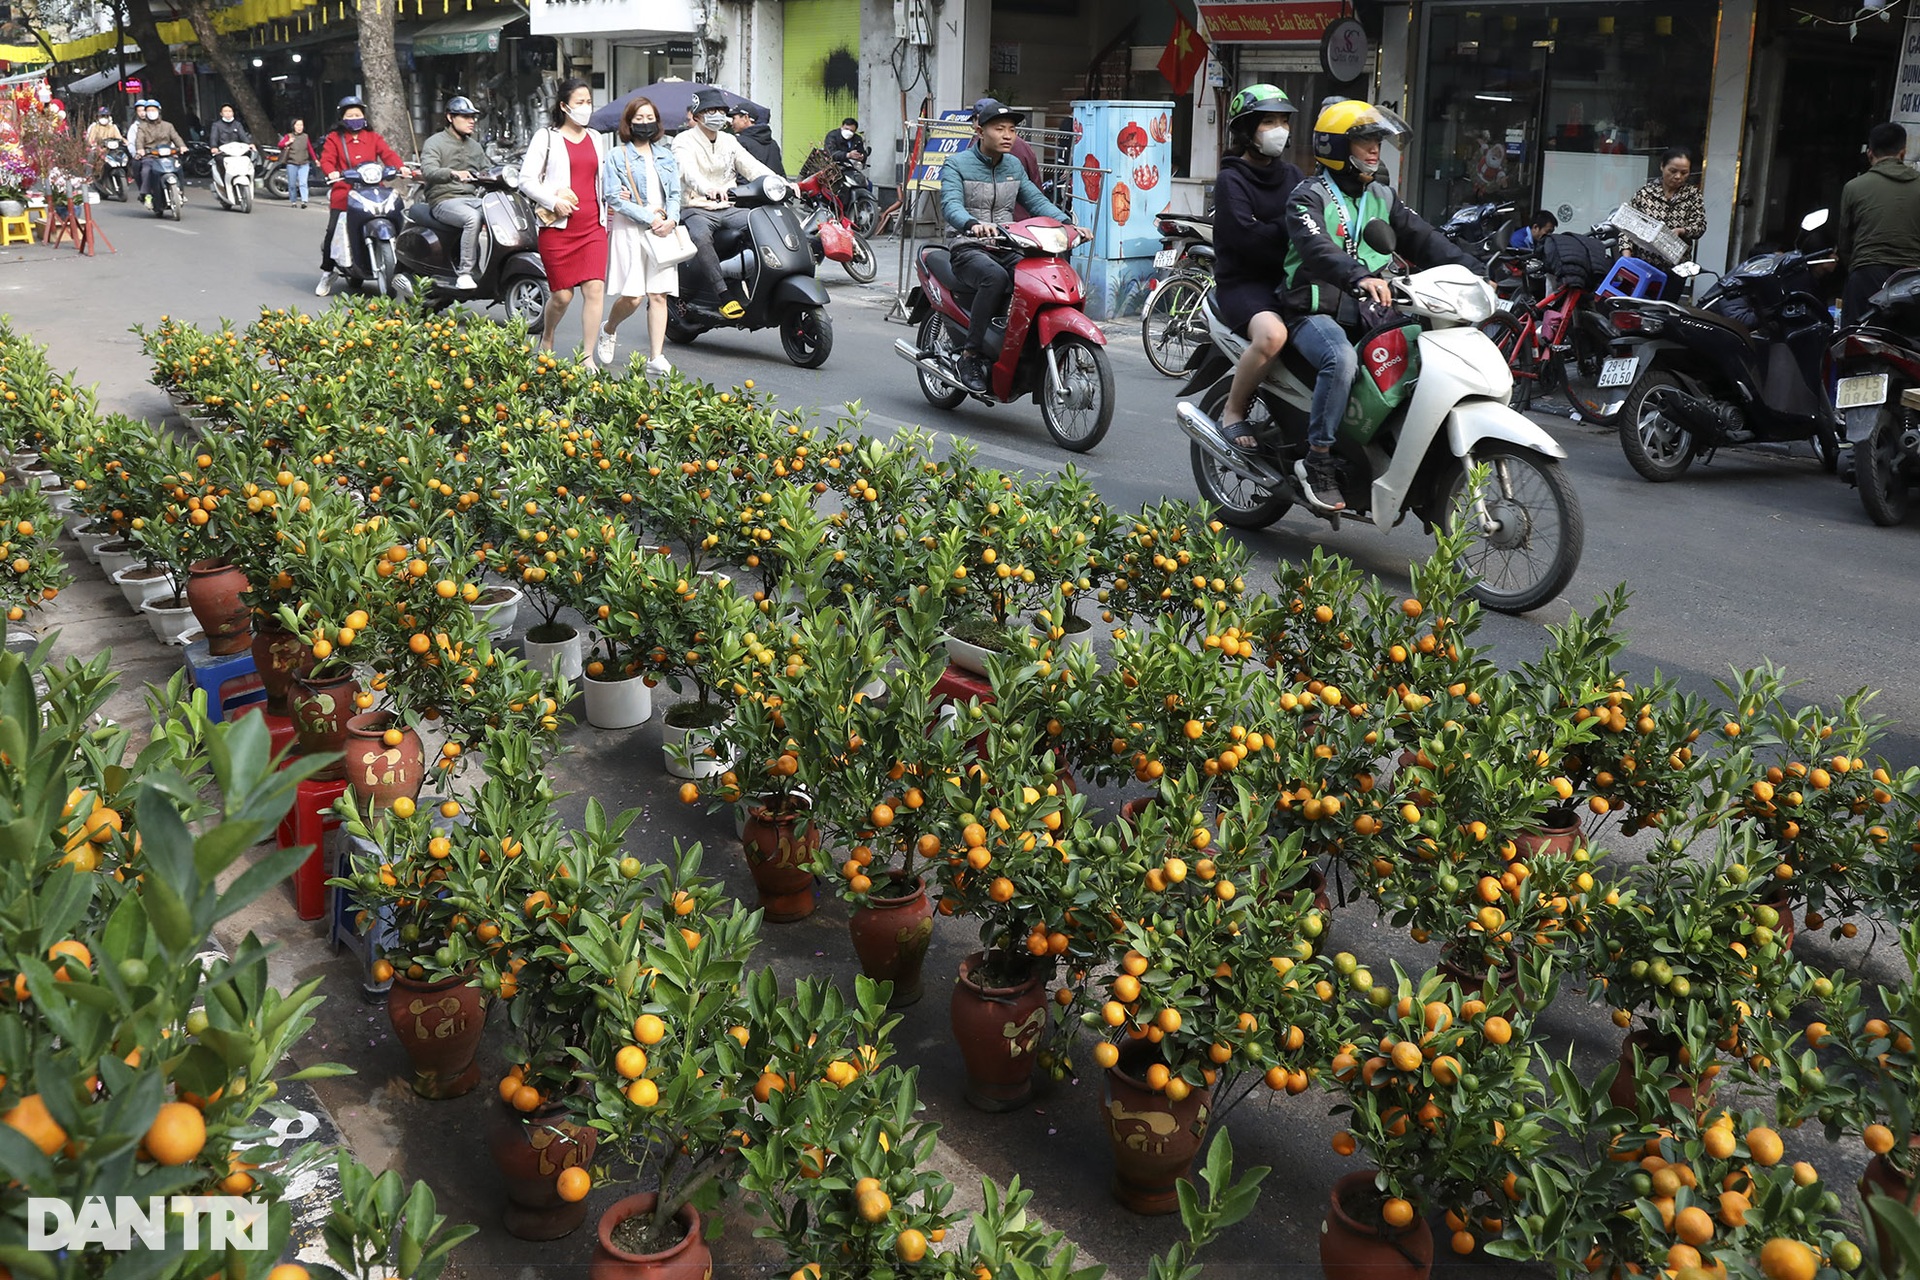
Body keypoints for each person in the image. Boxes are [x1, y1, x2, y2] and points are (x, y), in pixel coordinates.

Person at [1281, 99, 1477, 512]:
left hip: (1370, 309)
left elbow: (1425, 239)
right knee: (1342, 361)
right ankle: (1318, 459)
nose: (1375, 150)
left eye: (1378, 142)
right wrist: (1360, 277)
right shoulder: (1307, 197)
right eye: (1365, 141)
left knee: (1423, 356)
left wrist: (1477, 273)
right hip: (1314, 311)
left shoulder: (1381, 197)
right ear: (1336, 147)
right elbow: (1317, 249)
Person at [937, 97, 1083, 394]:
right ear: (979, 131)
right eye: (999, 129)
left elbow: (1036, 201)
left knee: (1038, 278)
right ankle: (971, 355)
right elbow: (951, 205)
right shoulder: (957, 164)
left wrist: (1069, 224)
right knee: (995, 277)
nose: (1007, 135)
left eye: (1012, 130)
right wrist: (970, 224)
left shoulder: (1014, 164)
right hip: (968, 246)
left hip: (1007, 244)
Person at [1210, 84, 1305, 449]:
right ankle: (1233, 411)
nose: (1279, 128)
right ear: (1247, 130)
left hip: (1292, 281)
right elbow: (1247, 239)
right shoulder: (1231, 180)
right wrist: (1292, 228)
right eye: (1269, 121)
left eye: (1283, 120)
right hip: (1245, 285)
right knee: (1272, 336)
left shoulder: (1295, 176)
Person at [518, 77, 611, 365]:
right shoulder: (547, 137)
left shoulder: (596, 138)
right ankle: (547, 335)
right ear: (563, 106)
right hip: (559, 229)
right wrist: (552, 200)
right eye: (579, 102)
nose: (586, 107)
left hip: (593, 225)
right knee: (562, 296)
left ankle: (587, 357)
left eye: (588, 102)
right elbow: (525, 180)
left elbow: (600, 177)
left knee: (595, 288)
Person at [672, 87, 773, 325]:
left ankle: (757, 284)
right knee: (701, 237)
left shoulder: (730, 141)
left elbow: (751, 166)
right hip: (696, 207)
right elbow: (687, 171)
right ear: (696, 116)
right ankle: (723, 294)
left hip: (728, 206)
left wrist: (780, 183)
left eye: (720, 110)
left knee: (761, 225)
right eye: (709, 110)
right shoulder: (682, 141)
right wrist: (707, 188)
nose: (716, 114)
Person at [598, 96, 681, 377]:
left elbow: (675, 195)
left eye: (650, 118)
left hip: (662, 230)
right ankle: (609, 329)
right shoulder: (616, 156)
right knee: (632, 297)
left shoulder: (666, 155)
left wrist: (671, 219)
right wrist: (651, 217)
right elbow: (614, 198)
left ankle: (656, 356)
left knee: (659, 295)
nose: (645, 124)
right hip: (631, 229)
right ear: (629, 122)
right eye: (639, 119)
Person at [315, 96, 405, 296]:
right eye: (350, 115)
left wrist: (401, 167)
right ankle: (328, 271)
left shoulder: (373, 137)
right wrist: (331, 172)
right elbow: (327, 159)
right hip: (344, 192)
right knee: (333, 231)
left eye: (358, 114)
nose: (355, 118)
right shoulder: (334, 138)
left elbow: (387, 153)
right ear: (342, 118)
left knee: (397, 215)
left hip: (373, 191)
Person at [1837, 122, 1920, 323]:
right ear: (1902, 153)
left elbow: (1844, 244)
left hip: (1867, 273)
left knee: (1855, 341)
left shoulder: (1854, 187)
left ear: (1869, 153)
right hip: (1914, 280)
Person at [419, 96, 492, 291]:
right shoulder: (435, 143)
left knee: (499, 213)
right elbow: (429, 171)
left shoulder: (475, 146)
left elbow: (488, 170)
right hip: (444, 200)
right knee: (472, 218)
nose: (472, 121)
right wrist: (452, 173)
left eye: (473, 117)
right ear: (450, 117)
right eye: (466, 116)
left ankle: (493, 269)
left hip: (470, 198)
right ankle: (465, 273)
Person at [1628, 146, 1707, 289]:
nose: (1678, 177)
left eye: (1684, 173)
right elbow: (1628, 228)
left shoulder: (1693, 195)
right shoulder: (1645, 193)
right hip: (1645, 265)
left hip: (1677, 267)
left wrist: (1682, 231)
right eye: (1673, 171)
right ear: (1662, 166)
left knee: (1667, 308)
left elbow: (1700, 226)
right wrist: (1626, 258)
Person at [131, 100, 184, 209]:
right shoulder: (142, 126)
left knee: (178, 167)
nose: (151, 112)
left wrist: (182, 146)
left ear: (159, 111)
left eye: (154, 110)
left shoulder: (168, 126)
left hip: (168, 154)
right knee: (146, 171)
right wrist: (140, 149)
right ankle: (147, 195)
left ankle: (181, 192)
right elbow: (139, 140)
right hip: (151, 155)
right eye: (149, 110)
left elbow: (176, 137)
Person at [207, 104, 251, 193]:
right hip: (223, 153)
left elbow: (243, 136)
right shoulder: (217, 125)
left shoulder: (237, 124)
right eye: (225, 111)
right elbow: (213, 137)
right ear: (221, 114)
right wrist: (214, 147)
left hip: (237, 152)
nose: (228, 113)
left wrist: (249, 144)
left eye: (230, 111)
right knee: (220, 161)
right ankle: (224, 184)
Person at [729, 104, 784, 175]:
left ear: (746, 118)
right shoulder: (773, 144)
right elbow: (780, 172)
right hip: (773, 184)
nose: (731, 123)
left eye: (734, 118)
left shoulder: (739, 142)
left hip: (747, 185)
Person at [280, 117, 314, 208]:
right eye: (297, 125)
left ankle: (304, 201)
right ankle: (293, 201)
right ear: (293, 126)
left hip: (304, 163)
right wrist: (288, 142)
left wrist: (316, 159)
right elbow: (280, 145)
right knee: (292, 184)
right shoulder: (289, 136)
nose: (300, 127)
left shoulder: (305, 136)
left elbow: (310, 149)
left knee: (303, 183)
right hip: (292, 163)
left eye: (301, 125)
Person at [84, 108, 121, 180]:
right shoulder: (94, 127)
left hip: (112, 149)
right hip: (99, 149)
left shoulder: (113, 127)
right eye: (102, 116)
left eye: (105, 116)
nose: (104, 118)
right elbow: (90, 139)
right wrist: (94, 145)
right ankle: (89, 175)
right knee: (91, 154)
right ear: (98, 117)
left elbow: (119, 137)